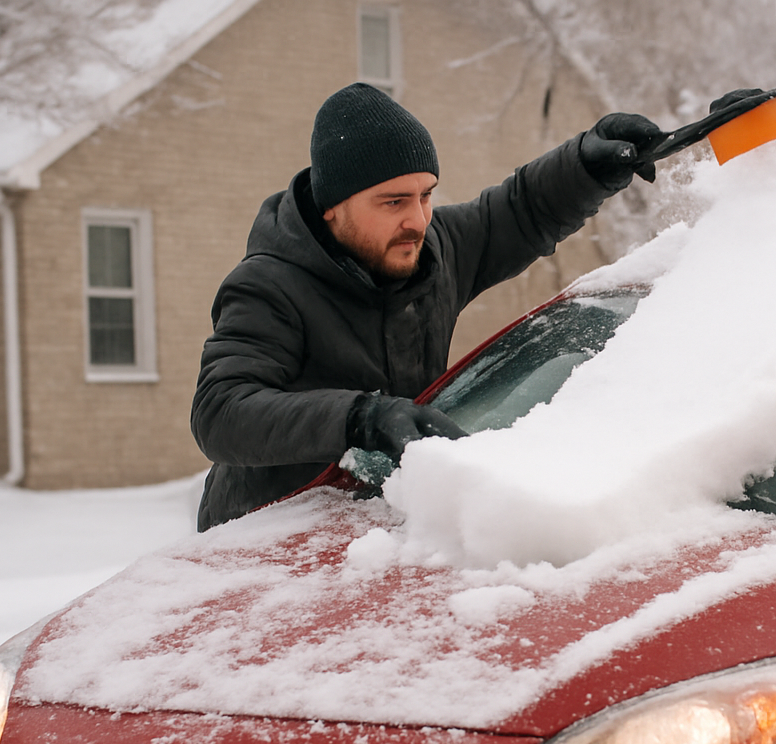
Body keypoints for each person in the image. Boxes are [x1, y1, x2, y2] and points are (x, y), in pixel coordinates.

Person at [190, 82, 662, 531]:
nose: (416, 220)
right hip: (263, 542)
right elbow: (220, 410)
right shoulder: (269, 286)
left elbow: (521, 210)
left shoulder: (431, 251)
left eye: (425, 195)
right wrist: (359, 419)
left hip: (378, 529)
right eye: (393, 201)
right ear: (333, 205)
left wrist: (586, 166)